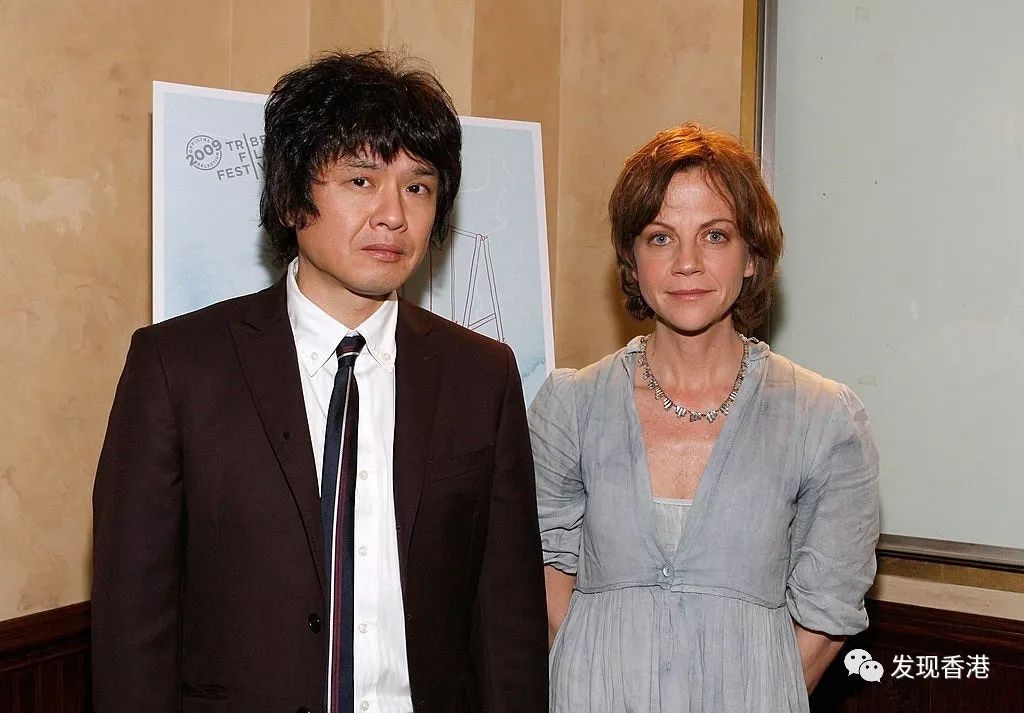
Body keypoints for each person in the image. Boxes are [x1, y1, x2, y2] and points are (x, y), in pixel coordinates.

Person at [92, 50, 548, 713]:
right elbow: (131, 621)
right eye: (361, 180)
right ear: (289, 198)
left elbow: (508, 618)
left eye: (418, 187)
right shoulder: (177, 366)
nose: (393, 215)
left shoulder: (481, 374)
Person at [529, 122, 879, 712]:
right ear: (632, 260)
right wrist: (596, 674)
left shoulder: (823, 419)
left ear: (751, 256)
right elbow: (544, 566)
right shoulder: (571, 406)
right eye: (660, 238)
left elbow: (829, 608)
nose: (687, 263)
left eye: (715, 235)